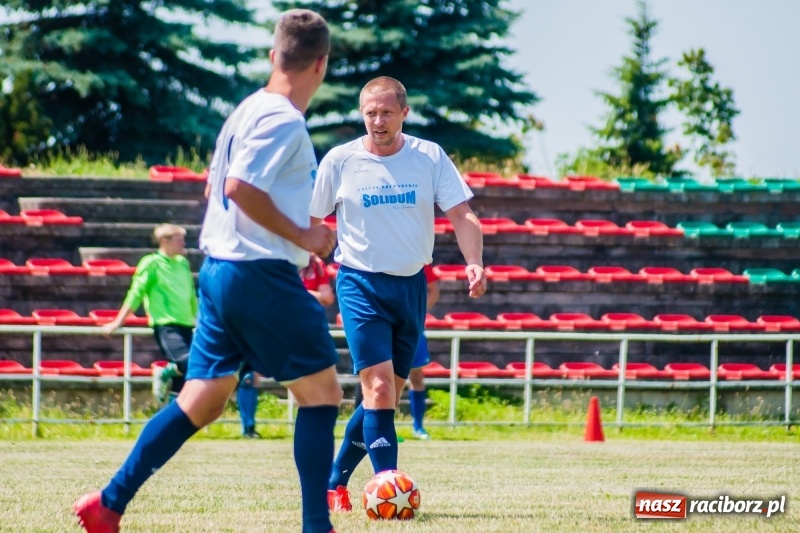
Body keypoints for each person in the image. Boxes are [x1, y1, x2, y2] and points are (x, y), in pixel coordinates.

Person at [74, 9, 342, 533]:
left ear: (274, 55)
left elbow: (215, 186)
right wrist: (305, 237)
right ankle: (318, 526)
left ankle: (108, 503)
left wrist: (282, 233)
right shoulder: (284, 117)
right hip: (258, 275)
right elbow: (239, 188)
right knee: (322, 394)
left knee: (203, 398)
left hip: (221, 271)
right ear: (321, 64)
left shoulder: (245, 111)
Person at [309, 76, 486, 512]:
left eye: (387, 112)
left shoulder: (429, 156)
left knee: (384, 396)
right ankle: (389, 494)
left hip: (411, 286)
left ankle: (333, 481)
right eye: (370, 113)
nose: (378, 121)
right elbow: (311, 222)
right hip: (359, 283)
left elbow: (462, 214)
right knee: (379, 388)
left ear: (404, 113)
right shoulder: (340, 160)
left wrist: (475, 261)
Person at [236, 254, 333, 439]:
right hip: (269, 324)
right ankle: (248, 428)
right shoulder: (274, 255)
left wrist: (293, 291)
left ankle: (303, 428)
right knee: (249, 377)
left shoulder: (315, 264)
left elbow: (327, 297)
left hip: (302, 327)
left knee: (305, 380)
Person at [101, 223, 197, 405]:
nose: (184, 244)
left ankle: (170, 415)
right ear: (165, 241)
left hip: (187, 323)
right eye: (179, 240)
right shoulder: (151, 263)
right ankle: (164, 372)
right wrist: (118, 321)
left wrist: (197, 318)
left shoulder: (182, 263)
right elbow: (136, 293)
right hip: (166, 324)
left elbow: (191, 294)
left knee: (185, 379)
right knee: (189, 363)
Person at [353, 264, 440, 440]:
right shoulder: (375, 260)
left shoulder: (419, 260)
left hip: (410, 326)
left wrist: (415, 313)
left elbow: (434, 291)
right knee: (375, 378)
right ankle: (370, 429)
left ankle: (418, 427)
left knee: (416, 376)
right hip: (380, 324)